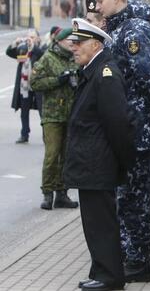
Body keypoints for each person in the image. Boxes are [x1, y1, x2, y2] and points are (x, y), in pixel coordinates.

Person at [89, 0, 150, 282]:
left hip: (140, 129)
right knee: (127, 199)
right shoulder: (119, 28)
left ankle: (137, 261)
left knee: (136, 200)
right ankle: (131, 257)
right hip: (128, 126)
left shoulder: (133, 31)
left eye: (100, 0)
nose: (96, 6)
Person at [64, 18, 135, 291]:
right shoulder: (93, 71)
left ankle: (110, 277)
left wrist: (124, 161)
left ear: (95, 44)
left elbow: (118, 122)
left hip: (98, 162)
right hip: (91, 162)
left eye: (79, 43)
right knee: (95, 223)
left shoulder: (105, 73)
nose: (74, 48)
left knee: (101, 223)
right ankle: (101, 270)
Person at [30, 27, 79, 210]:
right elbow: (35, 83)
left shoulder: (74, 58)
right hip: (52, 114)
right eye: (69, 40)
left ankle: (62, 193)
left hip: (70, 113)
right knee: (52, 155)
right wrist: (58, 80)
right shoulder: (48, 58)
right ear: (59, 41)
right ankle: (47, 193)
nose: (72, 43)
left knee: (66, 156)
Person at [7, 30, 43, 143]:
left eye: (32, 37)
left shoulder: (40, 49)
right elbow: (9, 53)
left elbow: (43, 54)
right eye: (28, 37)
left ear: (38, 38)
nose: (29, 39)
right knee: (24, 111)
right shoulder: (23, 49)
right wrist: (15, 43)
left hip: (38, 85)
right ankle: (24, 133)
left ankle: (46, 135)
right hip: (25, 85)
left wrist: (33, 46)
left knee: (43, 111)